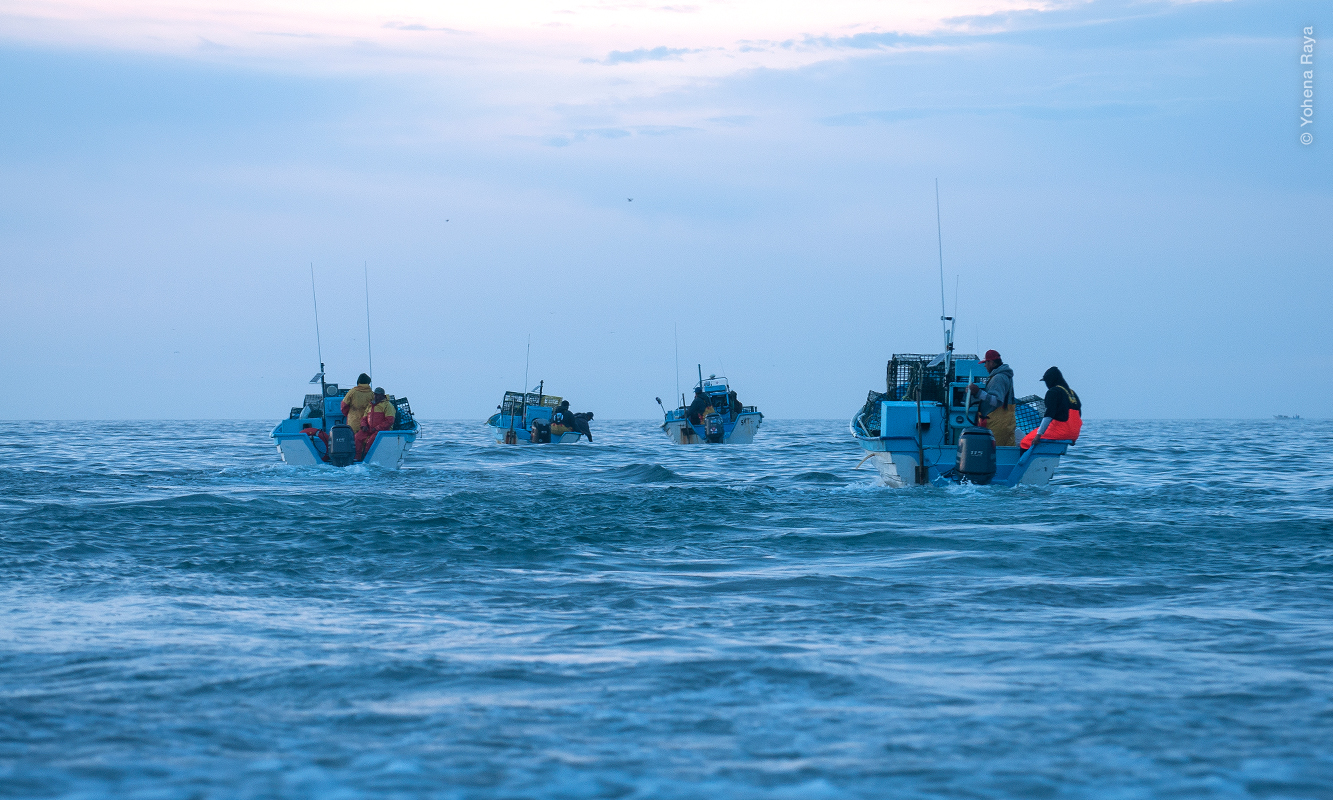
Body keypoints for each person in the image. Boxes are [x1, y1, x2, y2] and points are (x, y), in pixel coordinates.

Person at [1020, 367, 1083, 450]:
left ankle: (1024, 463)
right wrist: (1074, 437)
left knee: (1025, 442)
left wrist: (1039, 435)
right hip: (1074, 433)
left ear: (1050, 380)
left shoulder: (1053, 392)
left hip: (1060, 431)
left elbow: (1049, 415)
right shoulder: (1071, 393)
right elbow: (1079, 414)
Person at [969, 350, 1016, 446]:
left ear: (991, 362)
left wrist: (978, 392)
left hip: (997, 425)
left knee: (992, 453)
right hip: (1005, 423)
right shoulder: (1005, 376)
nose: (984, 366)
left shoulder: (998, 378)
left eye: (985, 362)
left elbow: (997, 401)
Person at [355, 387, 396, 460]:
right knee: (357, 437)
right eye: (375, 394)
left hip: (381, 431)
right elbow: (364, 418)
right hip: (369, 430)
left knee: (371, 441)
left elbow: (390, 421)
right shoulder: (370, 405)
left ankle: (367, 458)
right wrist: (364, 426)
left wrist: (377, 428)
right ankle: (357, 458)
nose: (376, 396)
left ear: (382, 396)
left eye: (378, 395)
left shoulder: (387, 405)